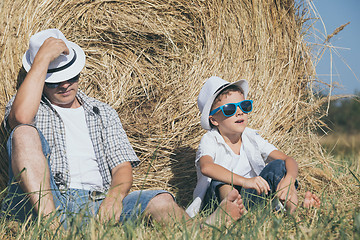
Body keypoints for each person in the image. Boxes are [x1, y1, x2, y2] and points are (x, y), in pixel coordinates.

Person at [1, 29, 245, 227]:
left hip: (97, 201)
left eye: (71, 77)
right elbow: (20, 119)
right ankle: (51, 227)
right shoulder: (29, 106)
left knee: (160, 200)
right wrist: (42, 59)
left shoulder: (102, 112)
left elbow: (122, 167)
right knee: (23, 132)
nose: (65, 85)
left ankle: (199, 230)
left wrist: (114, 198)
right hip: (43, 201)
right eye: (54, 80)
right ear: (41, 77)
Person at [186, 76, 321, 217]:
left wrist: (289, 180)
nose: (239, 112)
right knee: (221, 179)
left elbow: (289, 160)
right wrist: (246, 181)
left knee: (279, 166)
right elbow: (207, 167)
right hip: (216, 201)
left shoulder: (251, 137)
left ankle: (294, 211)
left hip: (249, 196)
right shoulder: (210, 139)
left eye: (244, 106)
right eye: (229, 109)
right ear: (214, 120)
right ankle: (230, 211)